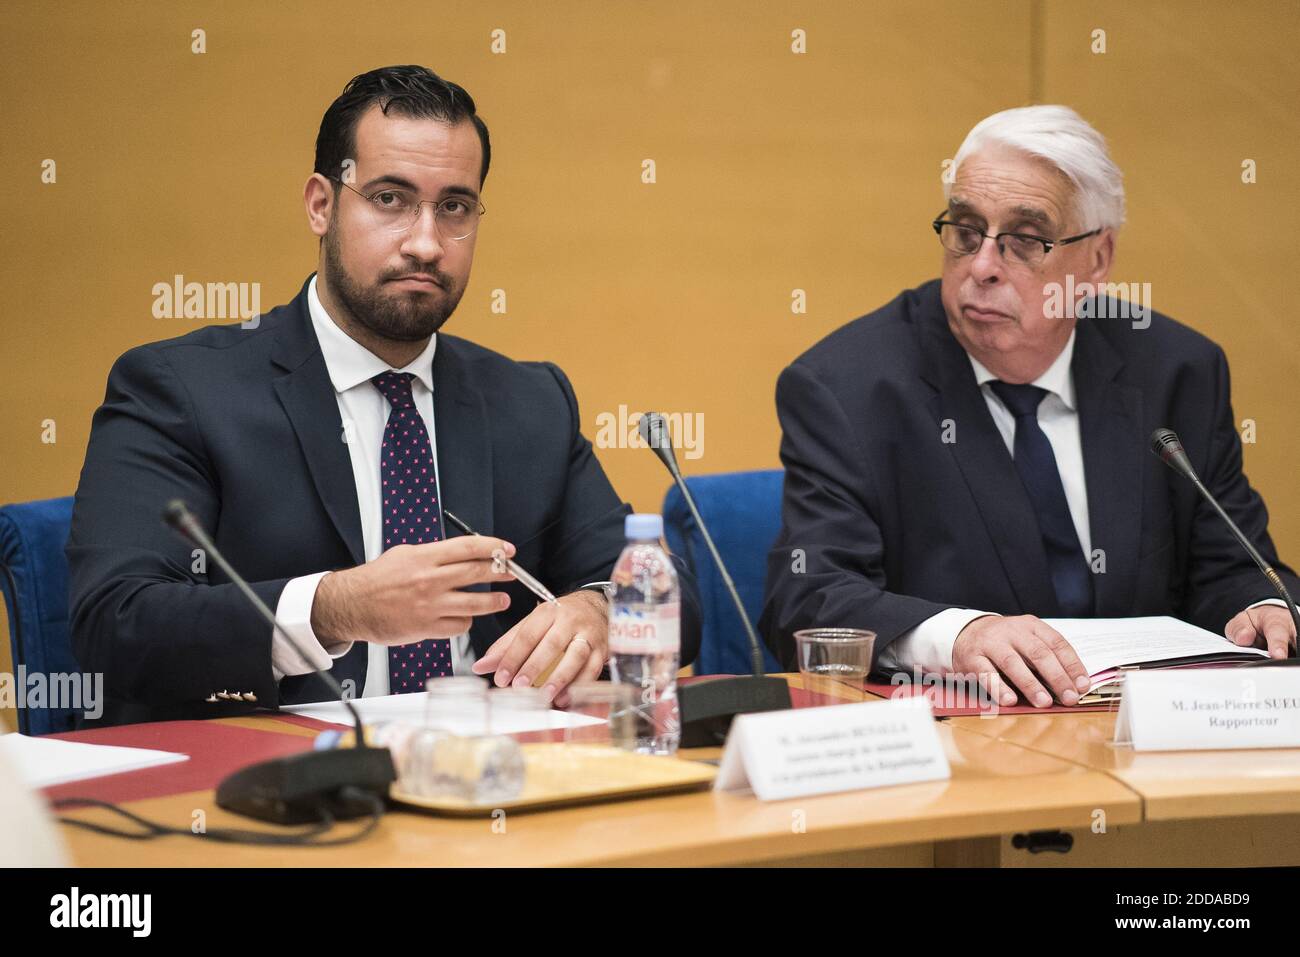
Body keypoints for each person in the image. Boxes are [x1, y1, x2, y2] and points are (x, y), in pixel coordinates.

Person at [67, 65, 700, 726]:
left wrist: (600, 609)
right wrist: (336, 606)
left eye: (454, 206)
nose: (425, 242)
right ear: (321, 204)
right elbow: (115, 623)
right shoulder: (183, 390)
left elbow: (671, 589)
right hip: (274, 789)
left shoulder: (530, 402)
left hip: (489, 786)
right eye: (390, 199)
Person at [760, 105, 1297, 708]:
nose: (983, 267)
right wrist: (958, 635)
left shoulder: (1176, 371)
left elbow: (1233, 566)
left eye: (1024, 241)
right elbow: (808, 597)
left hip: (1143, 740)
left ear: (1096, 260)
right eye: (966, 231)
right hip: (962, 750)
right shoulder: (847, 387)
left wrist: (1264, 607)